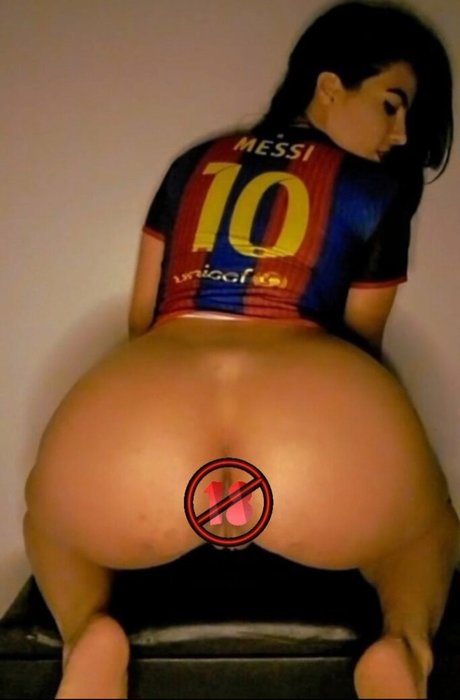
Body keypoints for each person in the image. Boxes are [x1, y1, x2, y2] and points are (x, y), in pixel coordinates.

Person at [23, 1, 459, 698]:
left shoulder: (192, 163)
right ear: (328, 87)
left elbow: (143, 320)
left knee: (53, 524)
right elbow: (359, 348)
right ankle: (404, 645)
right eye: (391, 105)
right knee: (424, 533)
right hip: (312, 420)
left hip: (145, 418)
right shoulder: (375, 191)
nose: (401, 135)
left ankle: (86, 635)